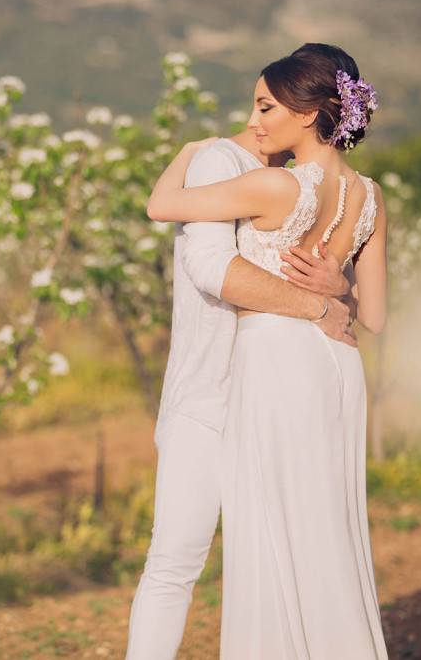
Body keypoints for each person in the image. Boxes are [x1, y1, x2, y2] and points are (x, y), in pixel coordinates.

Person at [147, 43, 389, 659]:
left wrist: (186, 152)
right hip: (340, 362)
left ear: (308, 114)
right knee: (329, 531)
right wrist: (339, 289)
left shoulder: (274, 185)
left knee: (272, 534)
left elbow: (160, 206)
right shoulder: (371, 196)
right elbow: (377, 315)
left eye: (265, 106)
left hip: (278, 358)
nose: (256, 121)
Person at [125, 122, 357, 656]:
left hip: (280, 392)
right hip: (209, 395)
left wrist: (336, 289)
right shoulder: (220, 163)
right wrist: (320, 307)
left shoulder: (305, 183)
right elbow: (209, 265)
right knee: (176, 559)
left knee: (291, 560)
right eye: (257, 103)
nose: (257, 121)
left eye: (268, 104)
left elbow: (344, 289)